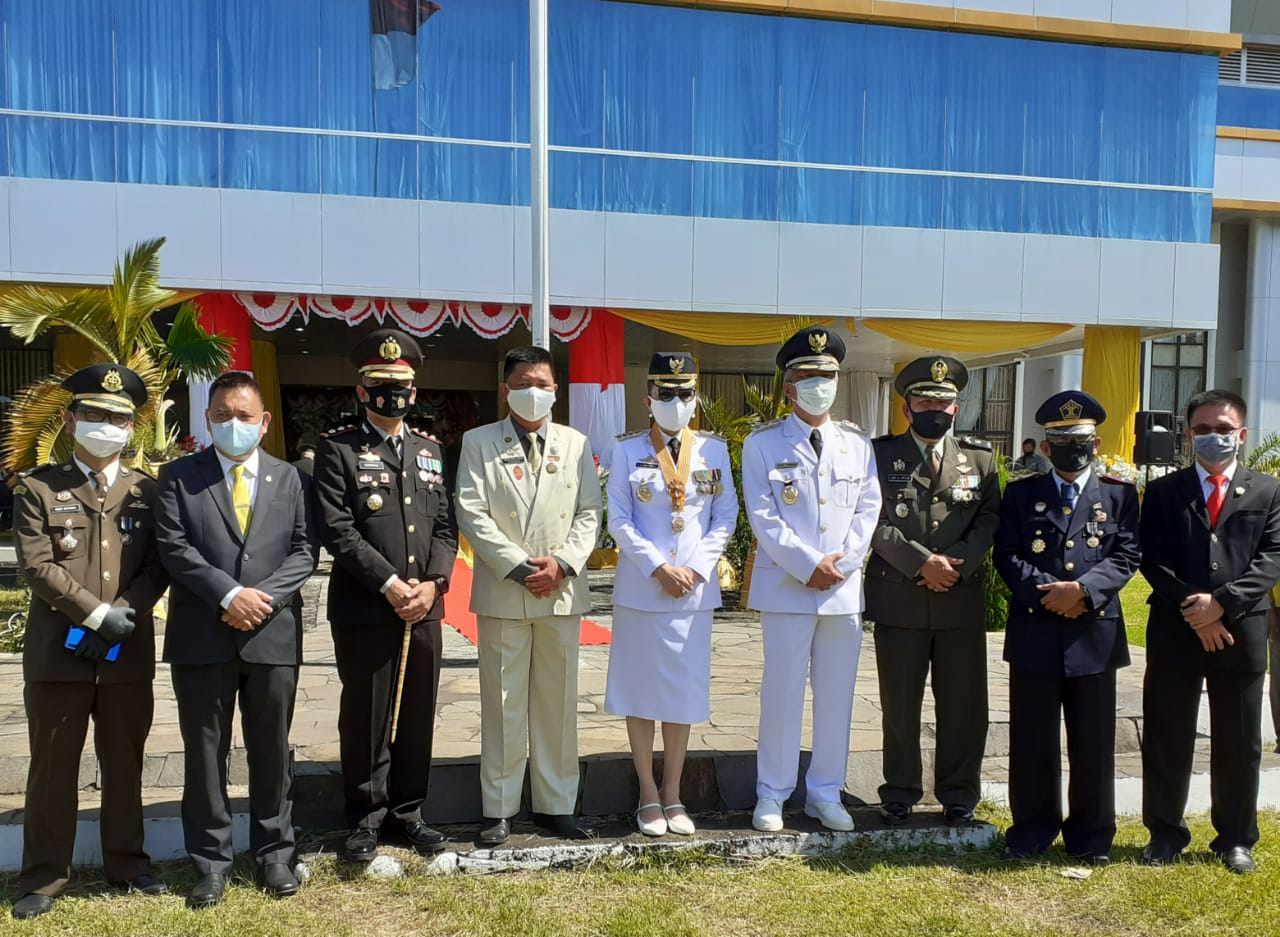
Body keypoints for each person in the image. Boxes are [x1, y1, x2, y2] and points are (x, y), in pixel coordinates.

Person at [10, 364, 169, 920]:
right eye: (96, 415)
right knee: (52, 767)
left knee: (124, 763)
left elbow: (157, 564)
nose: (106, 425)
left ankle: (127, 865)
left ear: (132, 428)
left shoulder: (148, 491)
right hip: (59, 655)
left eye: (118, 418)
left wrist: (123, 614)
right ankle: (44, 876)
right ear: (72, 418)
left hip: (126, 652)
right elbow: (36, 566)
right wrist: (98, 613)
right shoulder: (38, 487)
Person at [155, 371, 315, 907]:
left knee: (271, 751)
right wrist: (229, 596)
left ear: (264, 421)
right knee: (205, 754)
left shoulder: (289, 478)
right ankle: (210, 862)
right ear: (207, 420)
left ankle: (274, 854)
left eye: (244, 416)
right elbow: (175, 549)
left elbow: (304, 552)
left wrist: (259, 599)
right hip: (202, 634)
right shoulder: (179, 477)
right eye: (223, 415)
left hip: (271, 635)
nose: (234, 425)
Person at [312, 329, 458, 861]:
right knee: (368, 713)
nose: (391, 394)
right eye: (380, 384)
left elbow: (445, 528)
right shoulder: (339, 450)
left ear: (414, 392)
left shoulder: (431, 452)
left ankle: (408, 812)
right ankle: (365, 816)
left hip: (424, 608)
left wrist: (435, 584)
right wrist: (391, 583)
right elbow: (337, 529)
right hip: (366, 606)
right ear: (362, 389)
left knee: (417, 712)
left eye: (400, 386)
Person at [454, 345, 602, 844]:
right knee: (502, 701)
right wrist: (520, 568)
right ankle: (498, 807)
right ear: (505, 389)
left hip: (560, 592)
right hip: (504, 590)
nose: (533, 392)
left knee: (557, 703)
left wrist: (560, 565)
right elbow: (471, 512)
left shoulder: (576, 443)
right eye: (523, 384)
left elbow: (589, 513)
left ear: (556, 389)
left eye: (541, 383)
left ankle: (556, 805)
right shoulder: (478, 442)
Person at [741, 326, 881, 833]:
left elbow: (869, 509)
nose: (820, 383)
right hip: (786, 589)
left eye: (827, 375)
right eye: (808, 375)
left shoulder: (856, 444)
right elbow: (764, 517)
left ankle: (825, 790)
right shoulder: (761, 446)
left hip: (841, 593)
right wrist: (808, 565)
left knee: (837, 693)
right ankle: (772, 793)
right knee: (781, 692)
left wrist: (840, 566)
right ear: (788, 386)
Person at [995, 391, 1140, 865]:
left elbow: (1127, 555)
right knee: (1033, 738)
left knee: (1094, 741)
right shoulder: (1020, 493)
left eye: (1078, 440)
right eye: (1060, 440)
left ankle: (1092, 835)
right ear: (1045, 445)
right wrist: (1049, 594)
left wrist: (1082, 592)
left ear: (1095, 442)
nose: (1070, 449)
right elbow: (1008, 554)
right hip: (1037, 630)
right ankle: (1033, 830)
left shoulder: (1119, 495)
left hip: (1093, 632)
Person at [1140, 388, 1280, 874]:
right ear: (1187, 435)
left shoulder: (1268, 490)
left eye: (1223, 430)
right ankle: (1164, 833)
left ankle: (1236, 838)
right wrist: (1195, 609)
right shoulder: (1162, 492)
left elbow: (1272, 558)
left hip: (1242, 631)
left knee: (1240, 739)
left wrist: (1220, 605)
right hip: (1176, 630)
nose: (1213, 438)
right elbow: (1151, 558)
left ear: (1241, 434)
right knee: (1166, 734)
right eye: (1203, 430)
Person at [604, 352, 737, 836]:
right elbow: (618, 518)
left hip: (692, 595)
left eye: (684, 394)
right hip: (643, 590)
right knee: (640, 694)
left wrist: (696, 569)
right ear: (649, 399)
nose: (675, 402)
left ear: (695, 398)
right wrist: (658, 566)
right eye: (666, 394)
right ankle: (646, 793)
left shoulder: (713, 452)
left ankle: (674, 794)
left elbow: (726, 516)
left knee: (681, 694)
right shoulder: (626, 451)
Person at [866, 356, 1000, 826]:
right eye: (925, 400)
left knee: (964, 706)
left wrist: (954, 568)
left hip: (958, 600)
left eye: (944, 402)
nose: (935, 409)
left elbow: (989, 520)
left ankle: (959, 793)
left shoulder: (980, 460)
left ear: (956, 409)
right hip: (900, 598)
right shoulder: (879, 456)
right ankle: (900, 790)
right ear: (907, 407)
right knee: (900, 704)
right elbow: (871, 521)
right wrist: (921, 562)